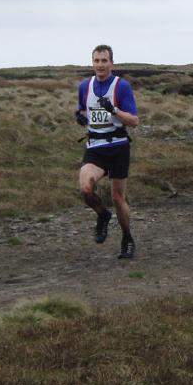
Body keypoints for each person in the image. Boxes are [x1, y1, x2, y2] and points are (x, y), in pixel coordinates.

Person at [75, 45, 139, 259]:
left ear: (111, 63)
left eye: (104, 61)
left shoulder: (122, 87)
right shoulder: (85, 86)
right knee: (85, 189)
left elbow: (134, 121)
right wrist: (80, 117)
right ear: (92, 63)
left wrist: (114, 110)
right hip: (95, 147)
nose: (100, 65)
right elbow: (82, 109)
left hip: (118, 147)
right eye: (96, 61)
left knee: (118, 198)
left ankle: (127, 238)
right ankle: (103, 215)